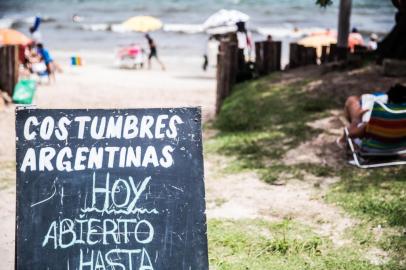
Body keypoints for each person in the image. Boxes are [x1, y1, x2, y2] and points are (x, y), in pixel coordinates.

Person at [338, 84, 406, 146]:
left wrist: (356, 120)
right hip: (398, 147)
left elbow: (352, 134)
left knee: (352, 100)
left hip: (374, 148)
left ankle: (343, 141)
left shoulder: (378, 120)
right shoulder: (403, 118)